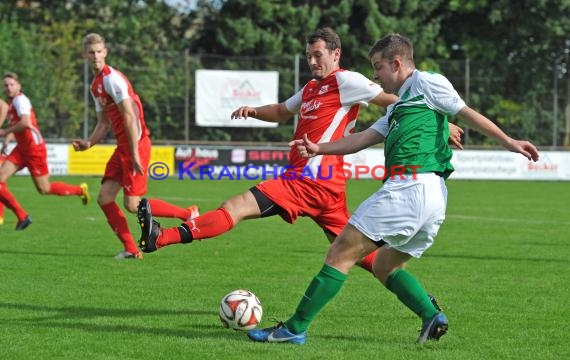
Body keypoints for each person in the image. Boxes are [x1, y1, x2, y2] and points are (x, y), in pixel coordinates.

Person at [246, 33, 540, 345]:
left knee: (339, 253)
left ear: (397, 64)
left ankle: (293, 329)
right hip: (431, 198)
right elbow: (361, 138)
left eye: (378, 67)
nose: (375, 75)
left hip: (408, 187)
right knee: (385, 265)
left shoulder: (427, 82)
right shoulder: (398, 108)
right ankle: (431, 315)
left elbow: (465, 113)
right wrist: (319, 148)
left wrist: (509, 142)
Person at [137, 28, 462, 275]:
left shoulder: (347, 80)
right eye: (309, 55)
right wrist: (253, 110)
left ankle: (160, 238)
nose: (312, 61)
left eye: (318, 55)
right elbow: (281, 111)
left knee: (233, 207)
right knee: (352, 251)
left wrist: (440, 125)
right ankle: (424, 304)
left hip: (310, 179)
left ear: (336, 54)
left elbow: (397, 100)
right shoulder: (311, 88)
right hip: (323, 186)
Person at [72, 33, 199, 260]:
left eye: (99, 51)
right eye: (91, 52)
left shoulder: (112, 79)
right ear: (84, 54)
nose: (95, 56)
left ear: (105, 52)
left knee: (132, 204)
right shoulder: (95, 85)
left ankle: (187, 213)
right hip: (123, 147)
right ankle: (131, 249)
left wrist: (133, 152)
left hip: (135, 144)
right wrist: (89, 142)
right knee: (104, 198)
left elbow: (130, 117)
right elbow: (104, 122)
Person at [0, 72, 90, 231]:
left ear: (18, 86)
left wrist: (5, 132)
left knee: (44, 189)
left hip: (34, 149)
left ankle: (80, 190)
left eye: (11, 84)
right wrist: (9, 136)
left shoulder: (21, 100)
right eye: (5, 85)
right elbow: (19, 127)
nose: (8, 87)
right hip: (21, 149)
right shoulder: (12, 103)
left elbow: (26, 123)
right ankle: (22, 216)